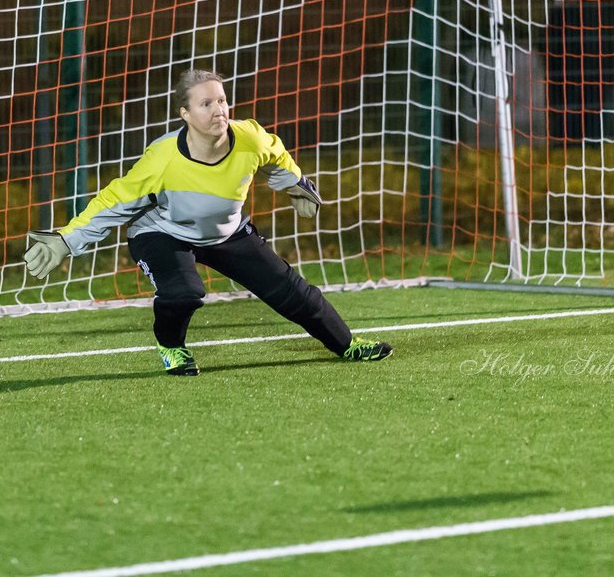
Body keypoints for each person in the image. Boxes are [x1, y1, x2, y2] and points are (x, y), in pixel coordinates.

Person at [23, 69, 393, 376]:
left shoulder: (248, 137)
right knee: (184, 292)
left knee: (290, 290)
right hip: (161, 232)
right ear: (184, 114)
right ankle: (172, 346)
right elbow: (114, 201)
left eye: (221, 100)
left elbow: (277, 155)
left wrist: (295, 184)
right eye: (206, 103)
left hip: (226, 233)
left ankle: (348, 346)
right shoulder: (163, 158)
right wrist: (66, 240)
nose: (218, 110)